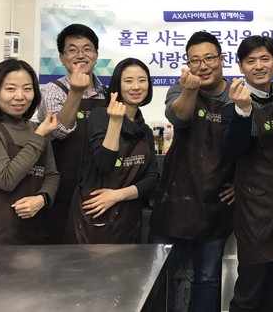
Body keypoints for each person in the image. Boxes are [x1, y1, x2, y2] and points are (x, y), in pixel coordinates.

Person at [149, 31, 235, 312]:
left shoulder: (236, 94)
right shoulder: (180, 88)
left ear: (221, 59)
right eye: (195, 60)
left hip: (215, 203)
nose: (203, 65)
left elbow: (250, 146)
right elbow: (179, 118)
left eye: (209, 58)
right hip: (175, 200)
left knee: (208, 279)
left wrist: (239, 183)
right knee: (157, 277)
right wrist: (190, 90)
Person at [222, 35, 273, 312]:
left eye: (265, 59)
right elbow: (234, 151)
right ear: (241, 67)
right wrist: (243, 112)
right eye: (250, 61)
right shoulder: (233, 102)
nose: (259, 66)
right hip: (256, 211)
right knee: (249, 294)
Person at [0, 59, 59, 245]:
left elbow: (52, 174)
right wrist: (39, 137)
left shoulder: (38, 128)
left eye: (27, 88)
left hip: (33, 234)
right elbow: (6, 179)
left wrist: (42, 198)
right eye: (10, 89)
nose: (20, 96)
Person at [66, 58, 159, 244]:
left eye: (142, 80)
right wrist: (115, 122)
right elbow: (104, 163)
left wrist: (117, 195)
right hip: (94, 215)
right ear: (117, 85)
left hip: (128, 219)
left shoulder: (145, 130)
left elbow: (152, 178)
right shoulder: (100, 117)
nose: (136, 86)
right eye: (128, 80)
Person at [37, 23, 107, 243]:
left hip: (100, 189)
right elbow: (59, 132)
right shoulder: (51, 90)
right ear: (62, 57)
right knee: (61, 250)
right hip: (63, 187)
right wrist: (76, 91)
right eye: (72, 50)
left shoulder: (107, 93)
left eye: (87, 49)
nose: (80, 55)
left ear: (96, 55)